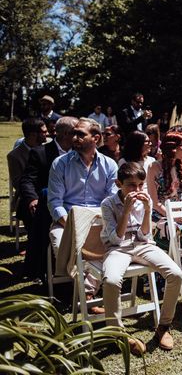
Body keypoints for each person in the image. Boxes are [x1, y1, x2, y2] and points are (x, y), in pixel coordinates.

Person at [100, 162, 182, 354]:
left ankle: (163, 327)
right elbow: (115, 238)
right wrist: (127, 210)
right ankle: (117, 333)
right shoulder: (108, 204)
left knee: (176, 274)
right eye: (131, 185)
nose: (136, 190)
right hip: (118, 248)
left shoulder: (144, 200)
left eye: (140, 185)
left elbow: (145, 235)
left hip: (142, 245)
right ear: (118, 183)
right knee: (111, 281)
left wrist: (147, 210)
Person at [48, 118, 118, 312]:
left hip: (98, 221)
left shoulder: (110, 165)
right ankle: (85, 293)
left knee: (114, 246)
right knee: (61, 244)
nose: (74, 137)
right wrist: (71, 224)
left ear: (96, 138)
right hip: (67, 222)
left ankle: (85, 294)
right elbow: (54, 203)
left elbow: (112, 201)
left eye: (80, 134)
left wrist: (97, 222)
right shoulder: (60, 164)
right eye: (73, 133)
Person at [19, 117, 77, 282]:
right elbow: (27, 180)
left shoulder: (79, 152)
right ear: (67, 134)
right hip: (47, 202)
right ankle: (42, 268)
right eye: (76, 132)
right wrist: (32, 199)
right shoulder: (40, 152)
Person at [7, 118, 48, 246]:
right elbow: (18, 183)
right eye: (44, 132)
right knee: (31, 207)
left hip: (51, 191)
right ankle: (35, 244)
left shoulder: (49, 148)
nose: (47, 134)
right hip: (28, 196)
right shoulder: (15, 156)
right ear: (32, 135)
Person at [147, 133, 182, 220]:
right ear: (173, 148)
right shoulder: (153, 168)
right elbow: (155, 202)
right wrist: (173, 217)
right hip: (161, 215)